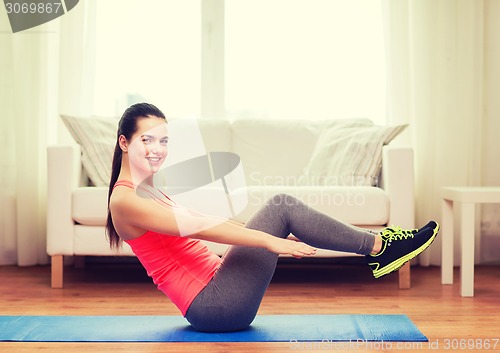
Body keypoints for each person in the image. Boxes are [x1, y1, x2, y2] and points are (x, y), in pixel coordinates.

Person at [106, 102, 439, 333]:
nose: (157, 149)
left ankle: (381, 247)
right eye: (146, 140)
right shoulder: (124, 200)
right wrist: (269, 240)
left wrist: (279, 237)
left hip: (218, 289)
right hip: (214, 307)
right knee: (282, 205)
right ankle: (381, 248)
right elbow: (201, 228)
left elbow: (201, 217)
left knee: (281, 210)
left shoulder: (149, 188)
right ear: (124, 142)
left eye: (163, 141)